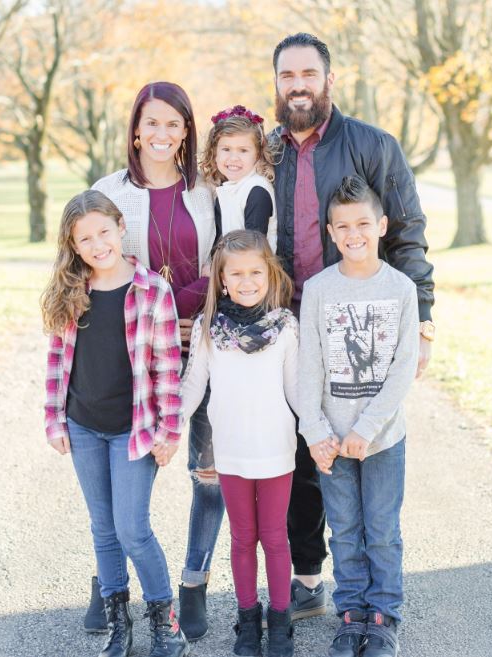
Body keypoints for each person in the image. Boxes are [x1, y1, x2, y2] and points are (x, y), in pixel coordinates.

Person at [269, 32, 435, 621]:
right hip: (283, 326)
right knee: (299, 451)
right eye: (287, 76)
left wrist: (424, 321)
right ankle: (311, 577)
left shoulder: (372, 145)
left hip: (357, 319)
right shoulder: (267, 151)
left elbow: (407, 231)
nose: (298, 85)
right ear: (277, 83)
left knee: (357, 448)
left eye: (308, 74)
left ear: (328, 80)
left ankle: (374, 596)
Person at [91, 81, 225, 641]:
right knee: (120, 480)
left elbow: (224, 259)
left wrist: (190, 310)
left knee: (209, 470)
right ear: (135, 129)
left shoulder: (208, 191)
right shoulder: (109, 191)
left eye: (174, 123)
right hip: (134, 352)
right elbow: (96, 269)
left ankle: (192, 583)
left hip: (203, 342)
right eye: (152, 123)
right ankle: (109, 581)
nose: (162, 134)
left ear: (188, 129)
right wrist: (167, 314)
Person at [41, 190, 189, 657]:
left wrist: (169, 431)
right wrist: (54, 419)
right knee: (102, 528)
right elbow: (57, 360)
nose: (96, 243)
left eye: (103, 231)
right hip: (84, 426)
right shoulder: (70, 291)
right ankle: (117, 622)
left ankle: (166, 621)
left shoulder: (151, 290)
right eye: (84, 238)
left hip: (135, 429)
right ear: (73, 244)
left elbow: (167, 368)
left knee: (132, 528)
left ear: (120, 226)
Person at [298, 176, 419, 657]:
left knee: (383, 531)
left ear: (382, 225)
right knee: (344, 529)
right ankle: (351, 614)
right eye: (343, 226)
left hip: (384, 438)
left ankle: (384, 613)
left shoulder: (401, 289)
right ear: (330, 231)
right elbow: (309, 366)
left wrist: (367, 430)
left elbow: (403, 367)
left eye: (363, 224)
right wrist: (316, 432)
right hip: (331, 440)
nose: (354, 234)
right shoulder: (319, 289)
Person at [182, 230, 297, 657]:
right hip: (230, 451)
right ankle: (248, 618)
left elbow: (297, 390)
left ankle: (281, 621)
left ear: (269, 274)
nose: (247, 282)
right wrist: (169, 428)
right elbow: (193, 385)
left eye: (255, 272)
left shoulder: (285, 326)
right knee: (242, 537)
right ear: (222, 279)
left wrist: (320, 432)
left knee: (275, 537)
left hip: (276, 450)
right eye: (237, 274)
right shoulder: (209, 329)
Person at [200, 104, 277, 250]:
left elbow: (252, 250)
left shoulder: (257, 191)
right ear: (214, 152)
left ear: (258, 154)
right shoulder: (227, 188)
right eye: (226, 149)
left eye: (243, 150)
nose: (233, 158)